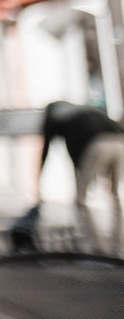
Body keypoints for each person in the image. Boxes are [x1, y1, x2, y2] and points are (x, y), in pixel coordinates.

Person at [34, 100, 124, 243]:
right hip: (120, 142)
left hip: (98, 145)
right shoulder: (83, 110)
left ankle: (97, 249)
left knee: (80, 200)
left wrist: (38, 181)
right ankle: (119, 245)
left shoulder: (54, 116)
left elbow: (47, 149)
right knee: (115, 197)